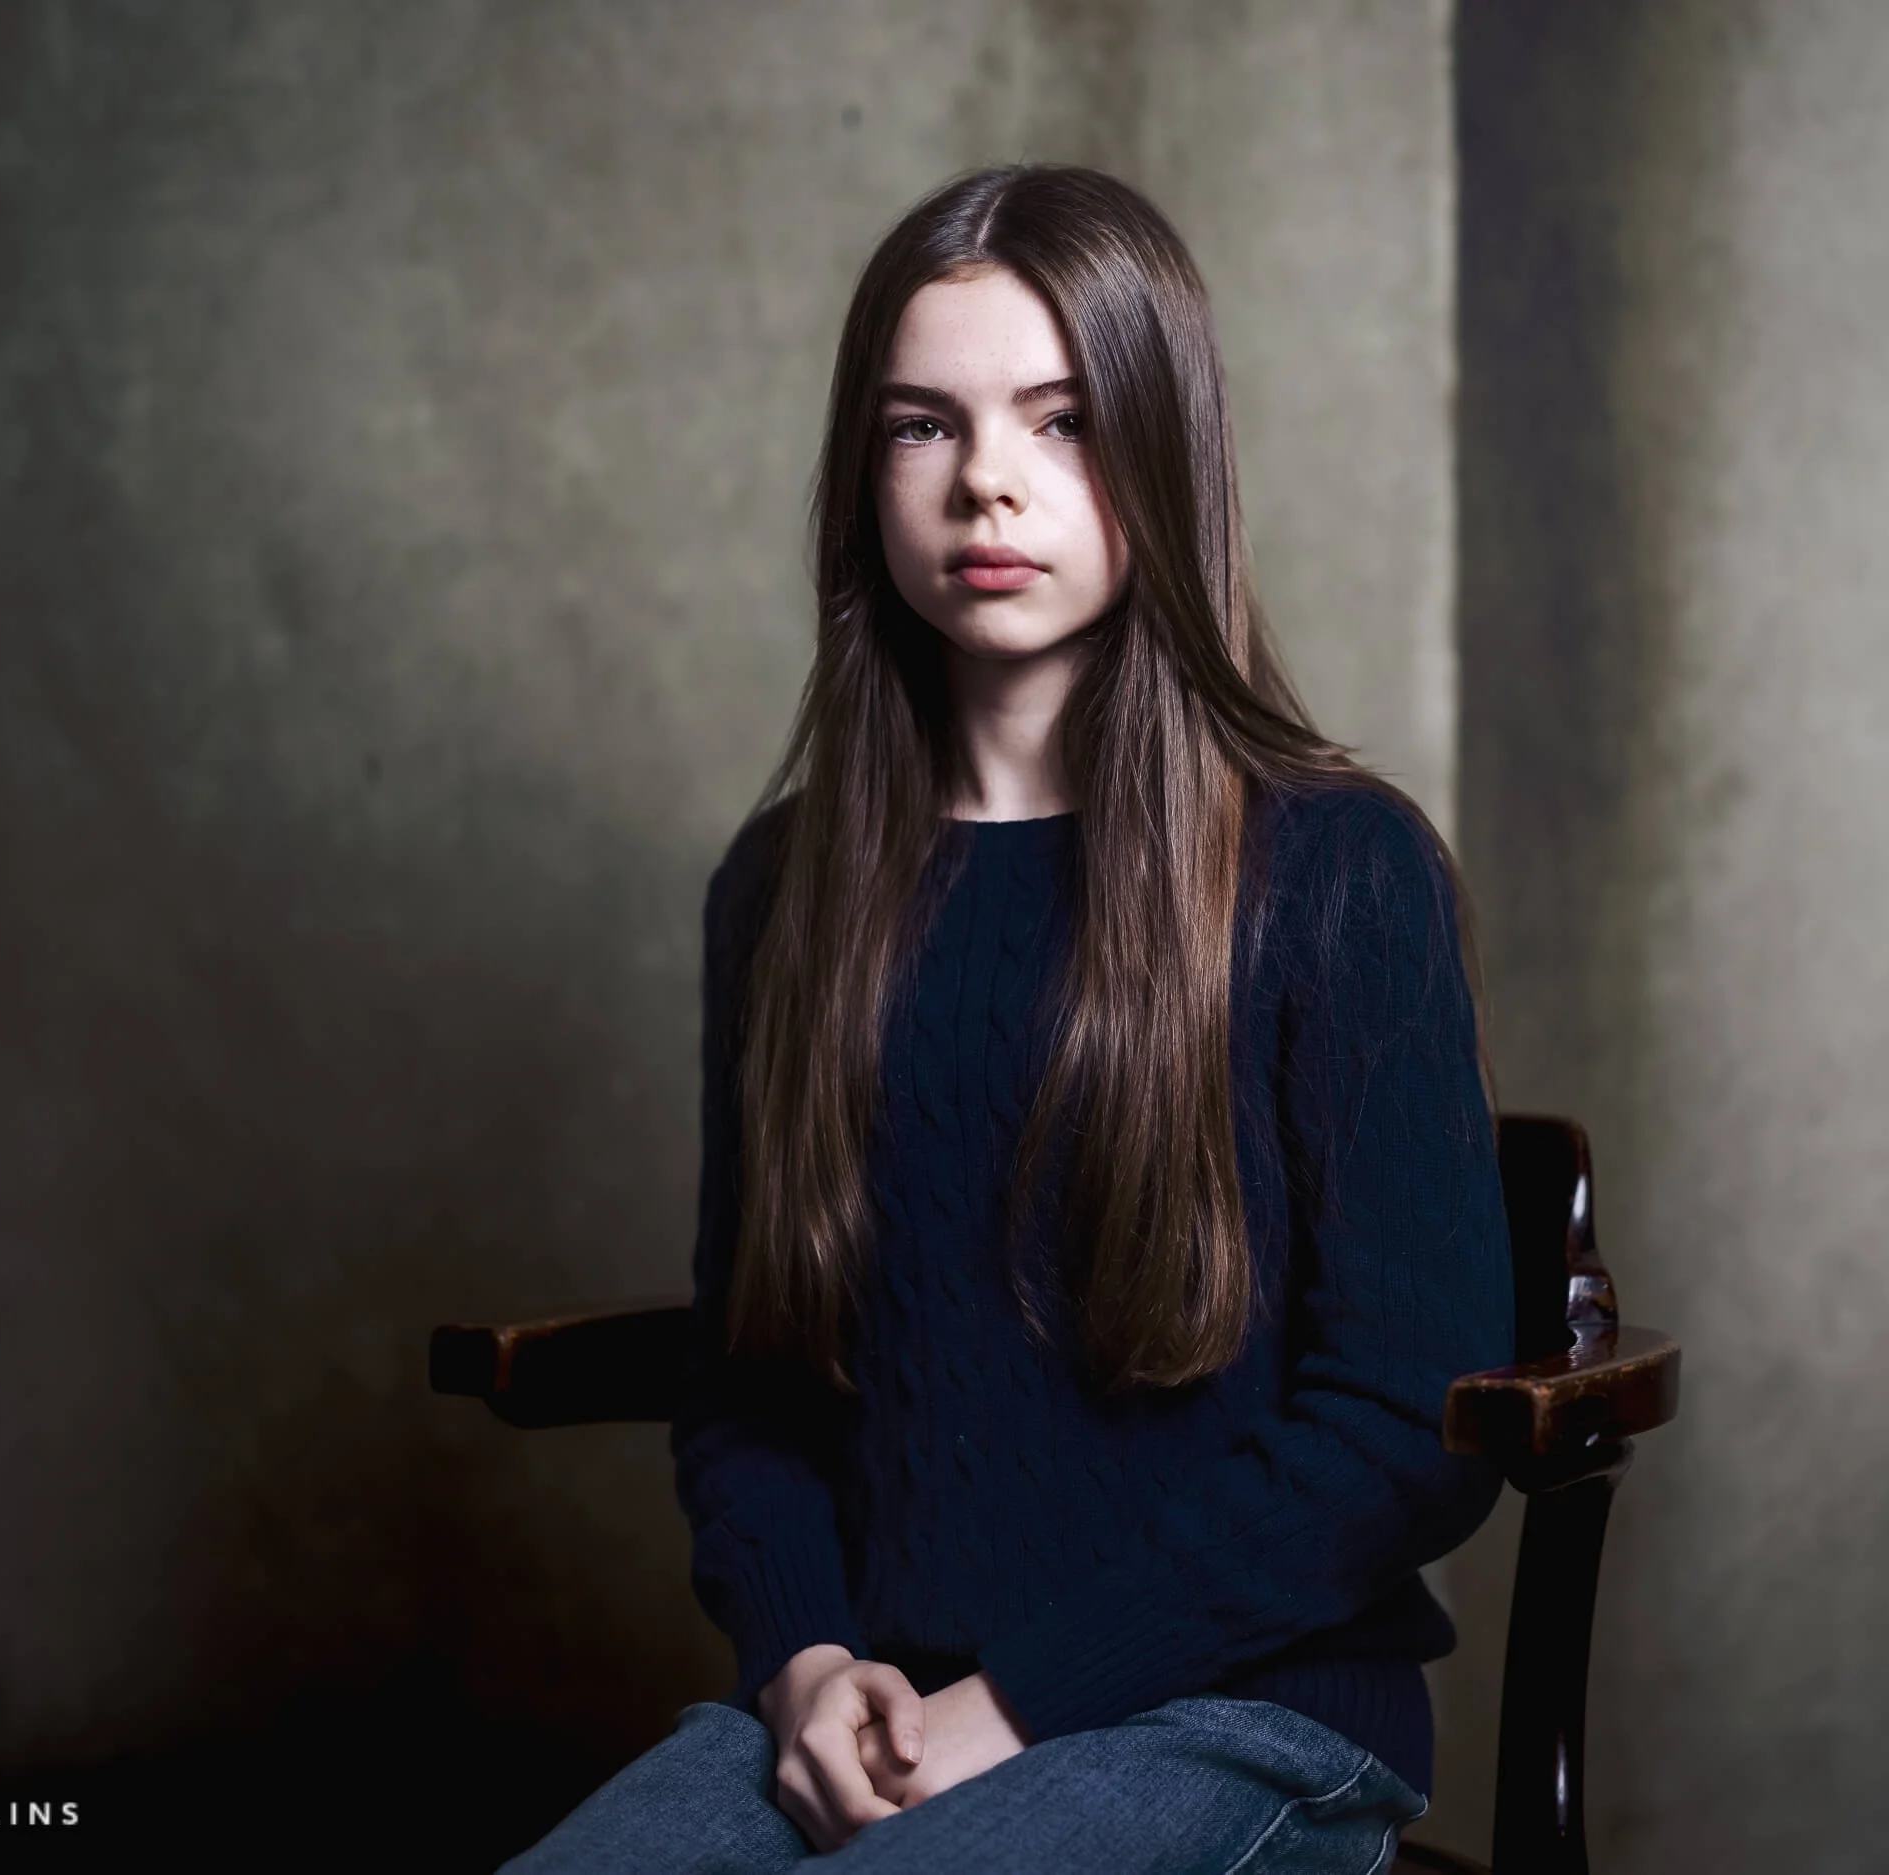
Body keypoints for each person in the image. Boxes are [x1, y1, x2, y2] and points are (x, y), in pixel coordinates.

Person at [503, 161, 1515, 1874]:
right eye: (925, 426)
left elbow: (1407, 1426)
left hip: (1248, 1719)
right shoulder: (783, 892)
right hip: (881, 1704)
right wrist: (806, 1661)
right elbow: (752, 1386)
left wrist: (1023, 1700)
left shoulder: (1339, 872)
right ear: (863, 476)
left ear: (1163, 456)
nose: (989, 480)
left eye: (1063, 420)